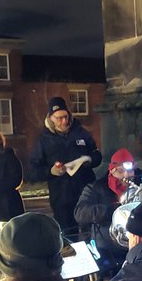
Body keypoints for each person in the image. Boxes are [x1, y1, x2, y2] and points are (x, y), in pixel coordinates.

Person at [29, 97, 101, 235]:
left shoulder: (81, 132)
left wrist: (90, 160)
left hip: (85, 190)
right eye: (59, 118)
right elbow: (33, 170)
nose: (64, 121)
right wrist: (51, 171)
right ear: (51, 118)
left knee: (91, 232)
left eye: (66, 117)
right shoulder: (43, 139)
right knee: (68, 235)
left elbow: (97, 154)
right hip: (62, 195)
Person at [73, 148, 140, 273]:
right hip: (106, 246)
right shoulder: (95, 188)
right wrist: (113, 211)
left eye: (130, 171)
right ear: (111, 171)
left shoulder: (140, 184)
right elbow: (80, 212)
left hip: (134, 245)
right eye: (120, 171)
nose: (126, 175)